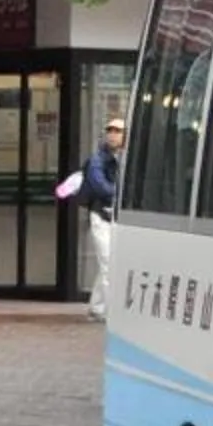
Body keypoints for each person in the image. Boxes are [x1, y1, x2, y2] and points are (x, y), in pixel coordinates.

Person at [80, 116, 123, 318]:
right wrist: (122, 192)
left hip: (116, 218)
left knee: (107, 263)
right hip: (101, 216)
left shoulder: (124, 159)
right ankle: (113, 313)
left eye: (118, 131)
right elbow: (100, 187)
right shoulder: (98, 160)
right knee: (109, 264)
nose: (113, 135)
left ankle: (97, 307)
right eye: (110, 131)